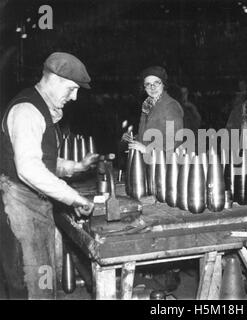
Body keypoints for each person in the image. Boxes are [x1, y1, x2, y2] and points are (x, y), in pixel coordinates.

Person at [0, 52, 98, 299]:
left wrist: (75, 167)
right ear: (54, 79)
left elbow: (42, 160)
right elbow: (29, 169)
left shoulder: (41, 108)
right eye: (71, 89)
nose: (74, 97)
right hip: (18, 210)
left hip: (35, 207)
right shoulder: (27, 110)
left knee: (44, 282)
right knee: (30, 285)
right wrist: (73, 197)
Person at [122, 66, 184, 153]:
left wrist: (145, 149)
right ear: (144, 87)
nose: (152, 87)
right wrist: (134, 141)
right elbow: (148, 134)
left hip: (164, 164)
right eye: (148, 84)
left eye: (156, 83)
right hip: (149, 161)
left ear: (163, 84)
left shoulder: (170, 106)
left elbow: (173, 142)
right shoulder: (147, 104)